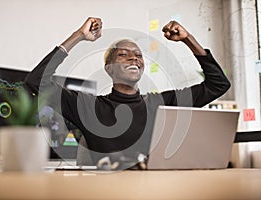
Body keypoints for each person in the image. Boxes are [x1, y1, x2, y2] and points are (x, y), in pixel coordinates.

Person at [25, 17, 230, 167]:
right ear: (109, 68)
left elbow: (218, 84)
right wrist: (79, 36)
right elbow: (36, 81)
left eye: (138, 55)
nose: (134, 58)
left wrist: (188, 39)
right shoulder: (88, 106)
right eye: (123, 55)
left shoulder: (161, 103)